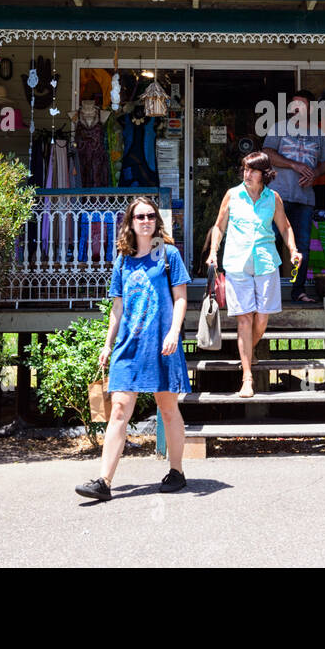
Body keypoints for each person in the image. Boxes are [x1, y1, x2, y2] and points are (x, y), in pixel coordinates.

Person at [75, 196, 190, 502]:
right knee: (119, 411)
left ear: (157, 220)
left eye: (151, 216)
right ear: (130, 222)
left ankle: (176, 471)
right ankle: (104, 481)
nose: (146, 221)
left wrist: (174, 333)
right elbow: (118, 307)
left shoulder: (169, 255)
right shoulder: (123, 260)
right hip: (129, 345)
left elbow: (180, 298)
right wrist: (108, 343)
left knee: (167, 409)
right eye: (139, 217)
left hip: (161, 344)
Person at [206, 152, 302, 398]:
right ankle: (246, 377)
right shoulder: (232, 195)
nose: (247, 174)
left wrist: (293, 250)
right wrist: (214, 252)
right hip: (237, 263)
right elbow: (218, 226)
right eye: (245, 169)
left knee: (261, 319)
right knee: (245, 320)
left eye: (252, 170)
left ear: (264, 174)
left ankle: (249, 349)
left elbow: (285, 226)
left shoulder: (273, 198)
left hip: (266, 262)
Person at [261, 89, 325, 303]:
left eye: (300, 104)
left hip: (304, 199)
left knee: (302, 248)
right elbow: (267, 154)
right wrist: (294, 164)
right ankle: (266, 292)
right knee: (268, 243)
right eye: (293, 105)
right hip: (277, 197)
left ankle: (297, 291)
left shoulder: (318, 133)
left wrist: (315, 174)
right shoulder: (279, 128)